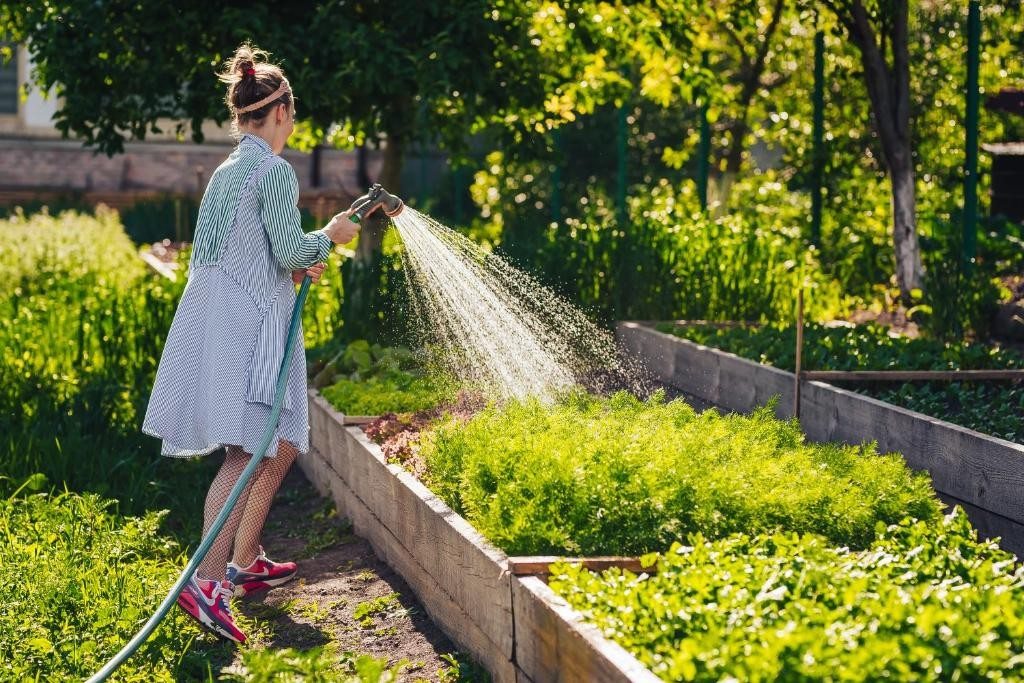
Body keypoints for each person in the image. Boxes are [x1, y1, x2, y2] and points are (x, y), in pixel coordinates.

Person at [142, 43, 361, 644]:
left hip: (220, 324)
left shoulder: (229, 172)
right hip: (248, 330)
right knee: (250, 454)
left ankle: (243, 559)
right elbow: (290, 252)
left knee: (278, 443)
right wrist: (333, 236)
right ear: (283, 111)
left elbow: (251, 256)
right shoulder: (272, 171)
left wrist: (294, 263)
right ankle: (207, 582)